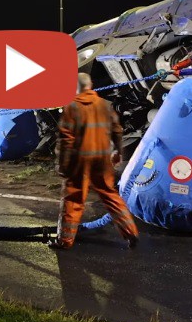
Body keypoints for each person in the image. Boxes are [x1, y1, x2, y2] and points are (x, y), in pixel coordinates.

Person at [50, 72, 140, 250]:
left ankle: (65, 241)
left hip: (79, 162)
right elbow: (117, 130)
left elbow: (65, 140)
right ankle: (131, 233)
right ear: (90, 85)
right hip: (102, 160)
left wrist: (62, 163)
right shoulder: (105, 105)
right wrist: (118, 152)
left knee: (73, 200)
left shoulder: (72, 107)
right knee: (111, 197)